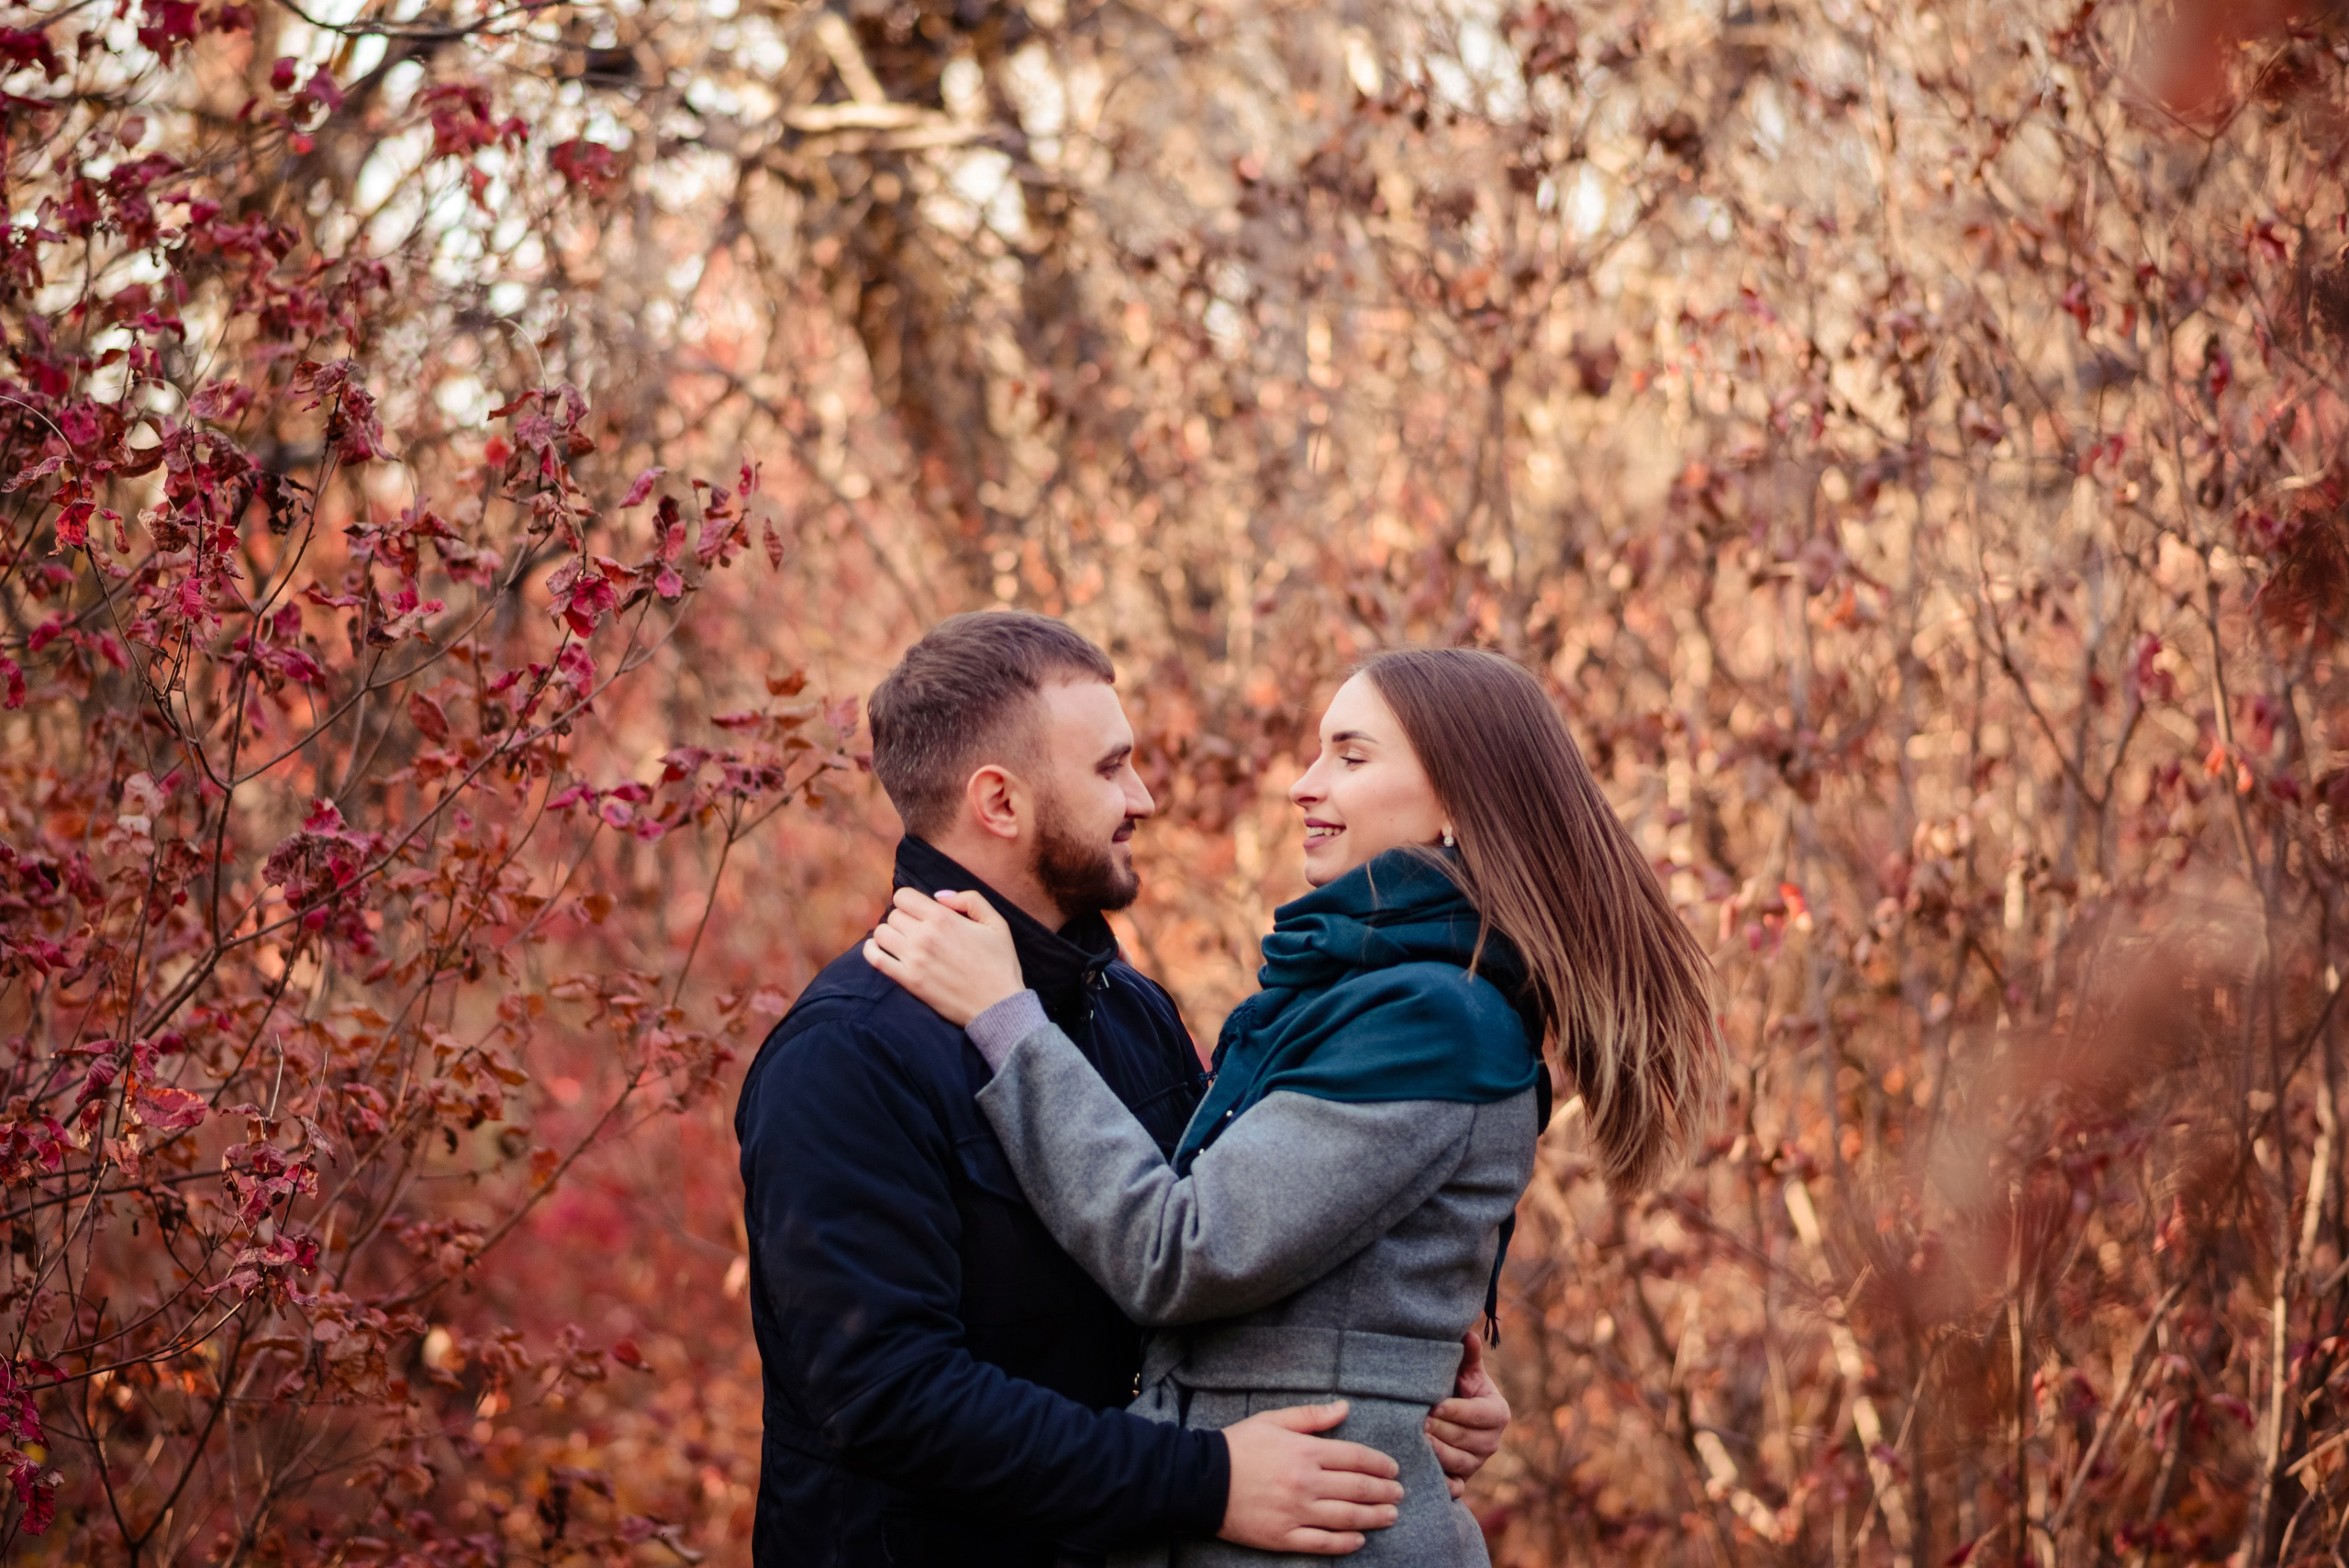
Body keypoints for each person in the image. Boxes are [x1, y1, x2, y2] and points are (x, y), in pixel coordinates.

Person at [865, 647, 1723, 1566]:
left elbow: (1181, 1251)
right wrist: (1408, 1371)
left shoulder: (1429, 1017)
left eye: (1351, 757)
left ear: (1455, 802)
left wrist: (1008, 1021)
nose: (1304, 786)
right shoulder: (1358, 996)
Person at [735, 615, 1512, 1567]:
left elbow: (1214, 1255)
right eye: (1109, 768)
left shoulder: (1128, 1012)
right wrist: (1204, 1478)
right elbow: (888, 1396)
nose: (1142, 796)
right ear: (1001, 802)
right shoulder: (850, 1049)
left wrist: (1407, 1378)